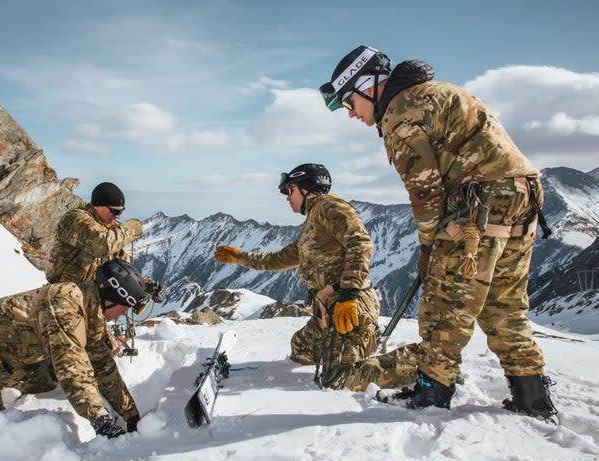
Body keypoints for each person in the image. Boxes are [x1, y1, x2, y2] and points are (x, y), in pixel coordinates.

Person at [318, 45, 558, 419]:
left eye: (350, 102)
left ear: (369, 86)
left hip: (479, 204)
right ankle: (532, 396)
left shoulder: (400, 113)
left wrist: (430, 249)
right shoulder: (439, 93)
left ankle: (432, 392)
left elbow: (426, 191)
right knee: (504, 305)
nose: (351, 113)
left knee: (443, 303)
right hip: (523, 197)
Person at [0, 259, 148, 438]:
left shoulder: (90, 315)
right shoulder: (66, 305)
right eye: (125, 307)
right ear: (111, 299)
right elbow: (72, 368)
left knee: (47, 381)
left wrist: (130, 415)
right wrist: (100, 418)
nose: (123, 314)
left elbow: (104, 370)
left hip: (4, 355)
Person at [214, 163, 380, 372]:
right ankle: (359, 340)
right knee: (300, 348)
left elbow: (360, 243)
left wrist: (349, 294)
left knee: (340, 372)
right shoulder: (313, 223)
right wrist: (240, 258)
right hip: (329, 307)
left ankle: (365, 340)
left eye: (290, 190)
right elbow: (279, 259)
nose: (287, 196)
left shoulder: (329, 206)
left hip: (347, 305)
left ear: (306, 188)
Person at [46, 181, 166, 303]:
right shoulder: (76, 218)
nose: (118, 216)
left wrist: (149, 286)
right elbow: (102, 245)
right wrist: (132, 227)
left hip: (88, 300)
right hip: (61, 297)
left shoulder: (109, 230)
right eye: (115, 211)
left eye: (121, 211)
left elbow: (122, 269)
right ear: (98, 206)